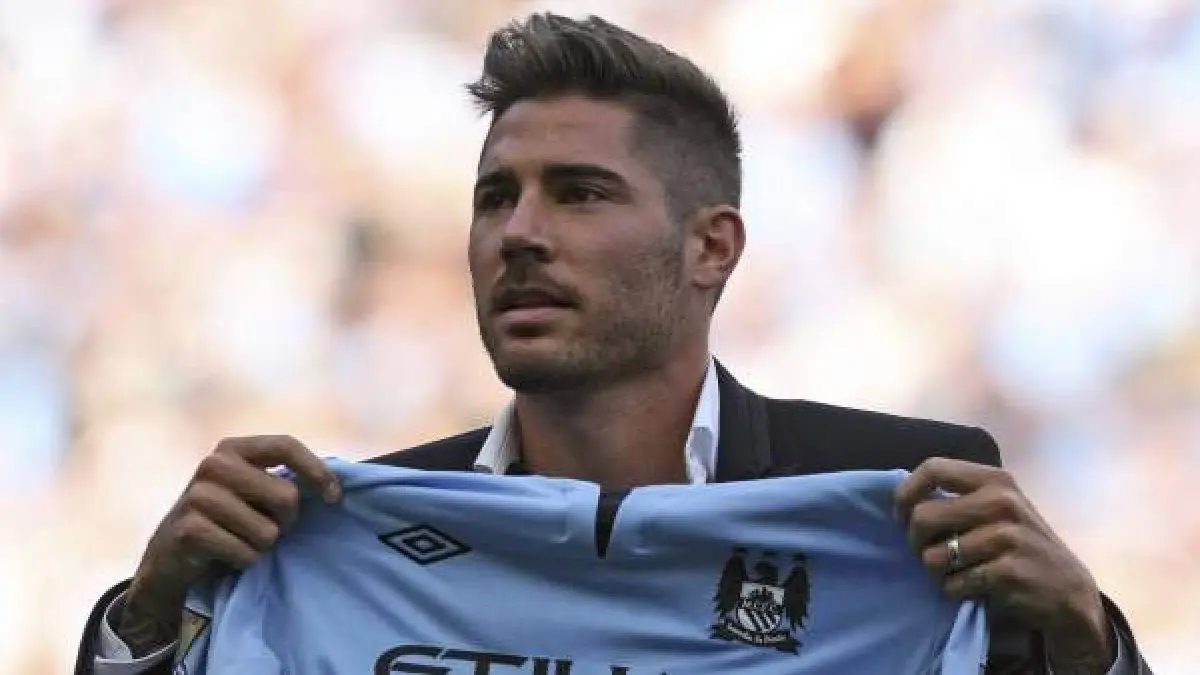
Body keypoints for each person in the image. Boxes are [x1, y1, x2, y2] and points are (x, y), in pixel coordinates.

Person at [77, 13, 1150, 675]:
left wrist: (1089, 649)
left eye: (580, 194)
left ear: (711, 248)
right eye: (494, 198)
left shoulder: (903, 499)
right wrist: (148, 621)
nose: (519, 233)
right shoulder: (348, 537)